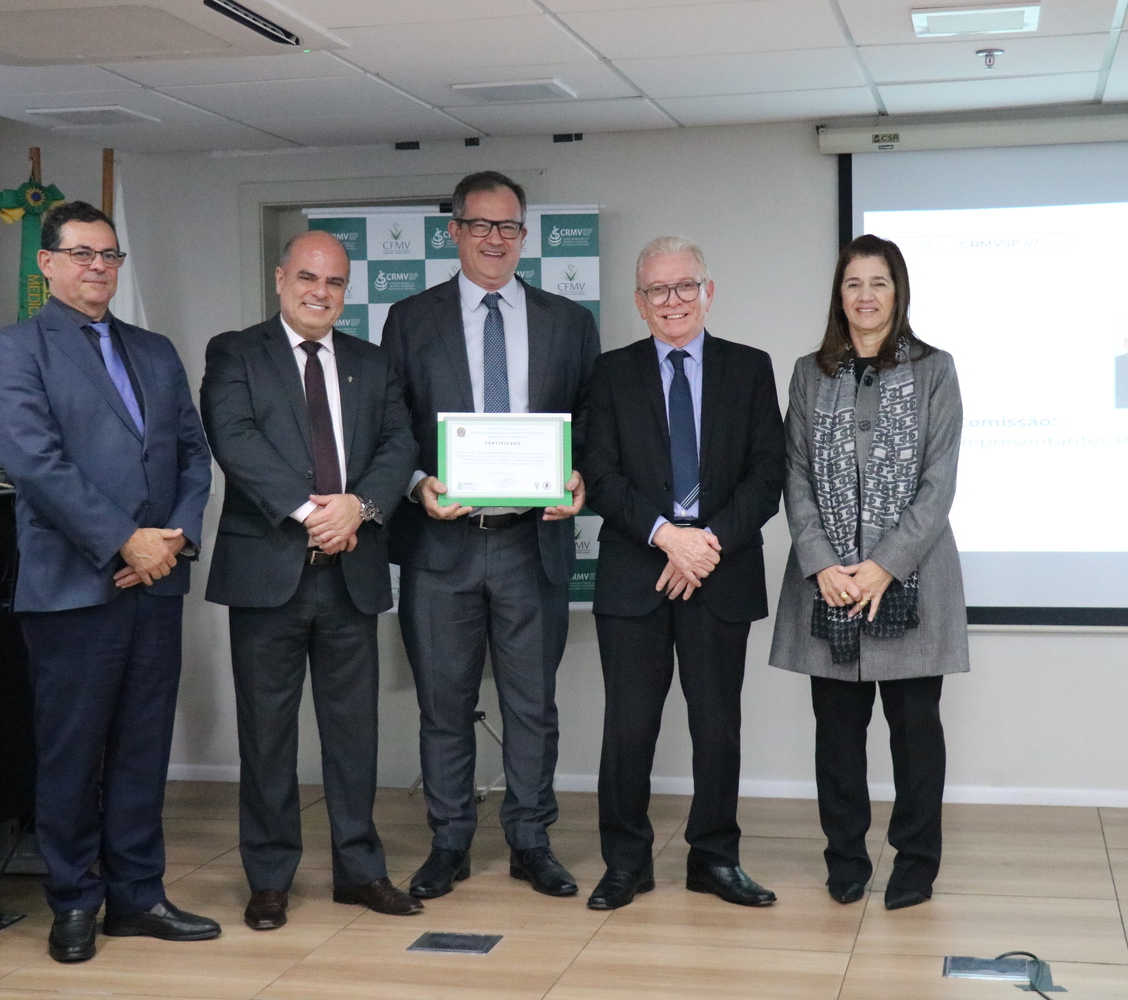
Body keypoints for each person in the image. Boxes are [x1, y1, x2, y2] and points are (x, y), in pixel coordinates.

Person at [0, 201, 217, 963]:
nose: (98, 268)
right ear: (47, 264)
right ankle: (74, 900)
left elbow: (191, 453)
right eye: (82, 254)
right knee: (73, 753)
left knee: (143, 747)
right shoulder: (16, 350)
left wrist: (170, 542)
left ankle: (138, 896)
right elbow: (33, 462)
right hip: (74, 586)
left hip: (155, 583)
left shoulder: (154, 349)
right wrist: (125, 539)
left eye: (110, 256)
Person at [380, 171, 601, 900]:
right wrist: (417, 485)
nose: (496, 240)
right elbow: (391, 431)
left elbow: (594, 428)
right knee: (443, 704)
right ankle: (448, 844)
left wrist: (581, 479)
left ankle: (531, 841)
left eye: (510, 227)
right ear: (454, 231)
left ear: (525, 235)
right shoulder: (410, 319)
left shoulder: (569, 321)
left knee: (532, 703)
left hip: (529, 544)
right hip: (441, 545)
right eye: (481, 226)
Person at [200, 231, 422, 929]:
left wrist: (361, 506)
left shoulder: (372, 362)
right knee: (268, 734)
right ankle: (269, 877)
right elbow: (233, 439)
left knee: (353, 731)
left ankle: (360, 870)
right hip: (268, 572)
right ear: (280, 278)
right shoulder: (235, 352)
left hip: (349, 574)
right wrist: (311, 513)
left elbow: (399, 445)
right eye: (307, 277)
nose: (319, 291)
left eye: (333, 281)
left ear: (345, 290)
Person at [581, 236, 784, 911]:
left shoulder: (750, 369)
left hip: (719, 575)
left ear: (709, 291)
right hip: (636, 572)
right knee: (629, 727)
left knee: (717, 726)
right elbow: (602, 475)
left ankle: (715, 859)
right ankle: (626, 863)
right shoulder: (610, 374)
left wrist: (706, 543)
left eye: (684, 287)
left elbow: (768, 475)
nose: (672, 301)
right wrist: (669, 538)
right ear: (640, 302)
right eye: (657, 291)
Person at [768, 234, 968, 912]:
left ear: (898, 292)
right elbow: (792, 473)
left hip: (910, 580)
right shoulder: (808, 372)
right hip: (830, 587)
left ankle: (915, 864)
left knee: (916, 737)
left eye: (878, 283)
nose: (866, 296)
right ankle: (846, 861)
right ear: (839, 295)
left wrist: (884, 565)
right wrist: (824, 564)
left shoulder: (935, 370)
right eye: (854, 283)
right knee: (837, 738)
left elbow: (939, 483)